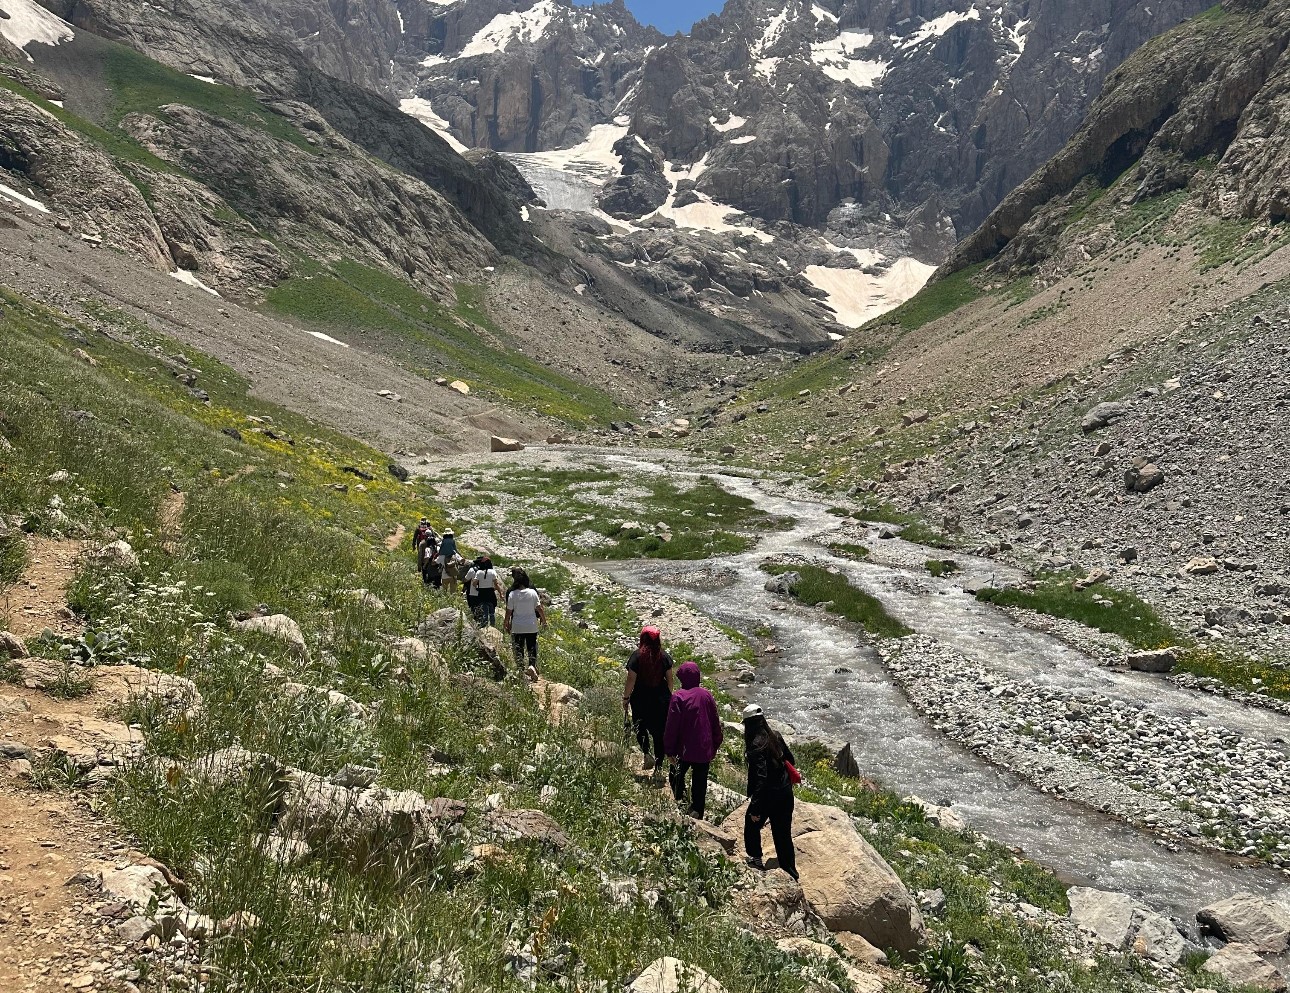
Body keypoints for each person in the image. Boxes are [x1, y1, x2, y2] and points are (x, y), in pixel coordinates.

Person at [741, 704, 798, 880]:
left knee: (751, 824)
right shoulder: (775, 736)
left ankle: (756, 859)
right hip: (785, 792)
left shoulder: (755, 745)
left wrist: (756, 808)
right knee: (783, 835)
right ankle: (790, 871)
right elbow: (791, 760)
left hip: (768, 795)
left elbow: (761, 778)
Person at [662, 661, 723, 819]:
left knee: (676, 774)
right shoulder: (706, 695)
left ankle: (681, 803)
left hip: (684, 749)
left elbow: (671, 725)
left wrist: (668, 749)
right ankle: (697, 811)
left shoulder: (678, 696)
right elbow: (715, 721)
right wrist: (716, 743)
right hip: (704, 747)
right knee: (700, 781)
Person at [622, 626, 674, 773]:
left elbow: (631, 679)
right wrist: (668, 698)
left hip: (640, 699)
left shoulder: (636, 656)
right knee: (659, 733)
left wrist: (626, 698)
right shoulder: (664, 656)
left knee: (640, 727)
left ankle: (646, 753)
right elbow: (670, 680)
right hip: (661, 700)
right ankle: (658, 766)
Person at [504, 567, 546, 676]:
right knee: (532, 646)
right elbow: (539, 608)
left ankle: (520, 669)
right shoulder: (532, 592)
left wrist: (506, 623)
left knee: (519, 647)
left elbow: (508, 612)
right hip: (531, 625)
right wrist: (544, 620)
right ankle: (532, 666)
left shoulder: (512, 594)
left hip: (517, 626)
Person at [472, 556, 501, 628]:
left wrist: (477, 587)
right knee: (492, 611)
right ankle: (492, 626)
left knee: (484, 611)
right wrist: (501, 593)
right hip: (490, 593)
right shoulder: (493, 572)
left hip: (482, 593)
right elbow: (496, 584)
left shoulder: (479, 572)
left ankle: (484, 626)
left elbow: (474, 583)